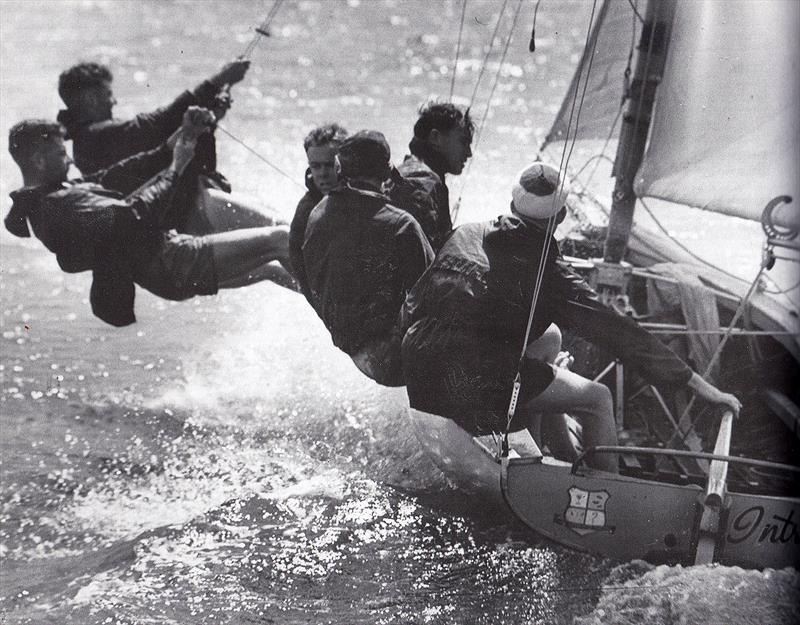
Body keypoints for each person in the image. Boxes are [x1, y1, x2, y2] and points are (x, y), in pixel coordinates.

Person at [401, 162, 741, 472]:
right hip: (469, 384)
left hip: (418, 370)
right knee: (598, 398)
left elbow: (415, 301)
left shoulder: (464, 233)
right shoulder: (552, 272)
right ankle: (609, 491)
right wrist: (697, 384)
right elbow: (618, 332)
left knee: (550, 337)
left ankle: (553, 455)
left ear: (511, 206)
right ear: (560, 217)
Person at [5, 109, 293, 327]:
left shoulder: (58, 195)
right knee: (279, 239)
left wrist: (179, 138)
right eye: (60, 153)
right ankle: (338, 313)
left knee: (271, 268)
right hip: (175, 262)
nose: (68, 160)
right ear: (38, 161)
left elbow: (117, 175)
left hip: (166, 268)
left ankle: (330, 303)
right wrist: (176, 167)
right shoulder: (57, 208)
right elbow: (131, 217)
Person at [56, 59, 280, 235]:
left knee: (279, 252)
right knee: (282, 230)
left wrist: (211, 120)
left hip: (183, 219)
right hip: (192, 212)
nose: (114, 101)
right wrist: (219, 79)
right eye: (108, 94)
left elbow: (180, 150)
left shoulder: (91, 139)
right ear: (90, 99)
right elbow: (159, 124)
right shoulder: (94, 137)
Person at [302, 130, 434, 386]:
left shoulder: (318, 211)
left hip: (350, 346)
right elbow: (434, 294)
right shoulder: (401, 224)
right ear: (386, 169)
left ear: (340, 168)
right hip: (390, 361)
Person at [396, 101, 474, 252]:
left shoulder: (410, 170)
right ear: (435, 138)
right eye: (463, 142)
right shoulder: (423, 182)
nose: (469, 153)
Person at [289, 123, 349, 299]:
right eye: (316, 166)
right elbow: (301, 271)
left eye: (329, 165)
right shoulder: (306, 210)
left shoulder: (370, 195)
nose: (322, 174)